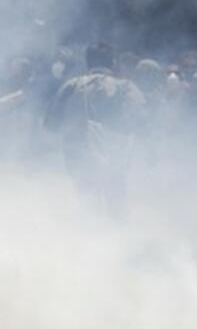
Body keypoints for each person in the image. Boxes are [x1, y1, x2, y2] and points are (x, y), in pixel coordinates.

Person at [43, 42, 146, 214]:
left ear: (88, 62)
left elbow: (51, 124)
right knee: (115, 199)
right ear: (113, 62)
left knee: (86, 199)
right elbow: (141, 118)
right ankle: (117, 228)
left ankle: (90, 228)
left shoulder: (71, 86)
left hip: (77, 153)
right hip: (114, 154)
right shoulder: (125, 87)